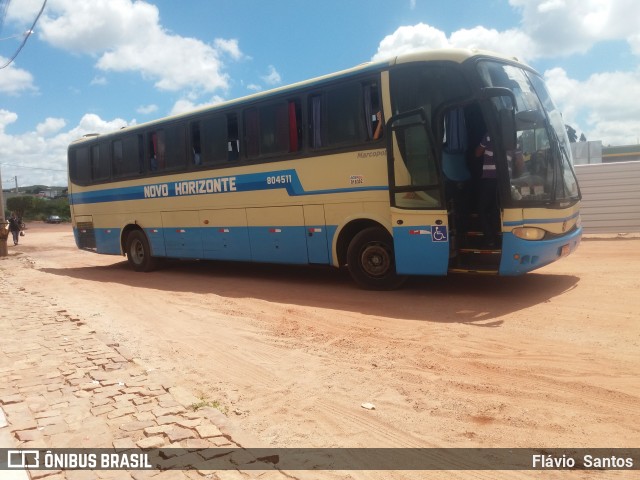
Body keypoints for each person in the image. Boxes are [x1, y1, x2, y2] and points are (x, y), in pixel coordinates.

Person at [474, 133, 499, 247]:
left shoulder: (489, 135)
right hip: (503, 181)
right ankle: (496, 236)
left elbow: (477, 153)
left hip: (489, 178)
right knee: (495, 208)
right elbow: (519, 163)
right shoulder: (513, 138)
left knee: (482, 209)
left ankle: (489, 238)